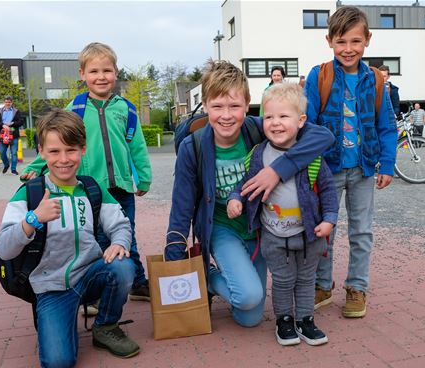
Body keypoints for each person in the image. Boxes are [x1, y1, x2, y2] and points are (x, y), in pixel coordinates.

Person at [165, 60, 333, 328]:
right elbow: (182, 206)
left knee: (250, 317)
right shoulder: (192, 147)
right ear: (205, 106)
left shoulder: (260, 128)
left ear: (247, 105)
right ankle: (206, 276)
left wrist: (277, 170)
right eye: (217, 106)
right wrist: (174, 260)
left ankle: (222, 281)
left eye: (234, 106)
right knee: (249, 296)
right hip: (222, 228)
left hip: (259, 229)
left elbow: (323, 136)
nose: (226, 115)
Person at [0, 109, 139, 368]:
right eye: (54, 151)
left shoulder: (93, 188)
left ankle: (105, 326)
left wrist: (119, 242)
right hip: (51, 286)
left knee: (123, 266)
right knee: (58, 363)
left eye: (71, 150)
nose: (63, 159)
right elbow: (3, 247)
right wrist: (32, 220)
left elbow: (120, 223)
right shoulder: (30, 193)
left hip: (90, 274)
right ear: (41, 151)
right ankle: (55, 316)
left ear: (83, 149)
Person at [21, 42, 152, 305]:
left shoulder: (126, 110)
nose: (101, 77)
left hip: (122, 187)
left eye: (107, 70)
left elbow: (137, 146)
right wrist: (35, 168)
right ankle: (97, 290)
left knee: (127, 233)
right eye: (93, 71)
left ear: (116, 72)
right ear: (82, 74)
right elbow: (56, 141)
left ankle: (137, 282)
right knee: (97, 238)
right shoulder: (76, 108)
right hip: (92, 190)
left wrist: (144, 177)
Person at [227, 83, 338, 346]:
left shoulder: (311, 156)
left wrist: (330, 219)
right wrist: (235, 199)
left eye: (283, 116)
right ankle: (285, 320)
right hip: (274, 236)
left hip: (309, 234)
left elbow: (328, 190)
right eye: (269, 117)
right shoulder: (257, 155)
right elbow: (243, 184)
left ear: (301, 121)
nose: (275, 123)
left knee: (306, 279)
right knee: (283, 280)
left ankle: (306, 319)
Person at [304, 6, 398, 318]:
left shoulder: (376, 80)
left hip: (363, 169)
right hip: (327, 171)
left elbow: (386, 126)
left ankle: (357, 287)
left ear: (367, 41)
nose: (348, 49)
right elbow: (308, 125)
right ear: (329, 40)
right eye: (341, 41)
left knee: (362, 231)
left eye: (355, 41)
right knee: (323, 231)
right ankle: (321, 284)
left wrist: (387, 164)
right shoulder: (320, 76)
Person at [0, 95, 23, 175]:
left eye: (9, 102)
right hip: (3, 134)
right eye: (6, 102)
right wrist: (2, 125)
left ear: (11, 102)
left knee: (14, 153)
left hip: (14, 135)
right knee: (1, 152)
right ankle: (6, 165)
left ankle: (13, 169)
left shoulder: (16, 111)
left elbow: (21, 121)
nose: (7, 103)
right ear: (4, 102)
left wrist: (12, 123)